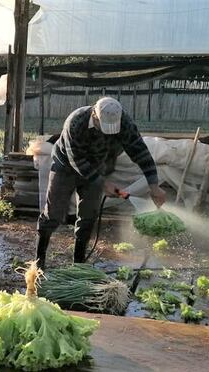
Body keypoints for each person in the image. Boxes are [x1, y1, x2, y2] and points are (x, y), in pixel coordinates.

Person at [36, 97, 166, 267]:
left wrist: (153, 185)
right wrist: (103, 183)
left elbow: (140, 151)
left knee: (88, 216)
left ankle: (79, 264)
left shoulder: (125, 123)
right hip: (66, 166)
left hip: (98, 166)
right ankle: (39, 260)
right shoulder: (76, 122)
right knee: (53, 214)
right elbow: (77, 160)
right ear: (95, 116)